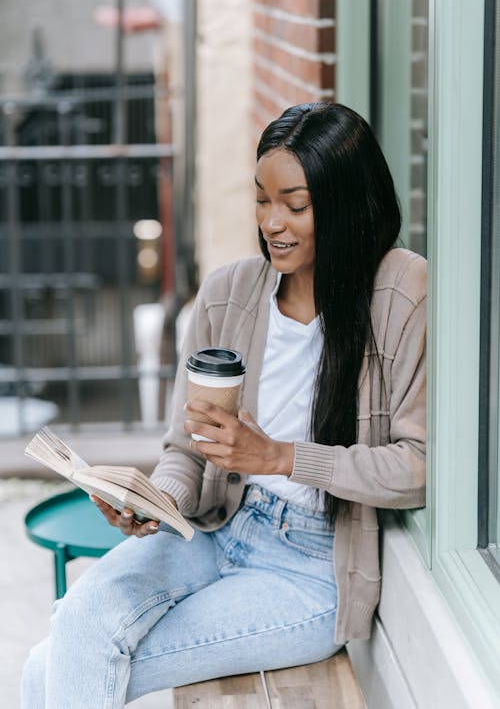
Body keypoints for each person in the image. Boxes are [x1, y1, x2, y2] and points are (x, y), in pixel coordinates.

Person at [21, 102, 426, 708]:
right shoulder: (229, 294)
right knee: (76, 629)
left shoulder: (400, 292)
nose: (272, 223)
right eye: (262, 199)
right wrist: (161, 501)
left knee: (50, 667)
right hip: (213, 527)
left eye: (296, 204)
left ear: (344, 202)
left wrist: (282, 456)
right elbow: (186, 449)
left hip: (309, 569)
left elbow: (418, 468)